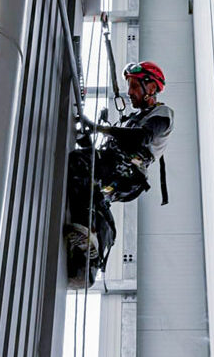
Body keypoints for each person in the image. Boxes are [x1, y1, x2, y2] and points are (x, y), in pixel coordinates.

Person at [65, 61, 174, 287]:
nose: (130, 92)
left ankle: (90, 230)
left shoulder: (163, 115)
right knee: (83, 170)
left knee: (80, 162)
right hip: (118, 170)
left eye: (135, 86)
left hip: (127, 172)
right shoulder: (132, 118)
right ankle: (85, 250)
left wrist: (99, 128)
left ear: (151, 88)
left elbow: (140, 138)